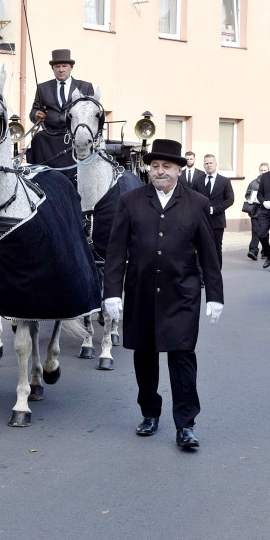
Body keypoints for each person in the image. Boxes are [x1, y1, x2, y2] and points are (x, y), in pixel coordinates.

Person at [102, 138, 223, 450]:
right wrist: (111, 292)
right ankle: (149, 413)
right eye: (155, 166)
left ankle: (186, 425)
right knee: (144, 356)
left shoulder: (196, 203)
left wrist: (215, 295)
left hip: (182, 294)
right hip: (141, 292)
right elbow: (115, 251)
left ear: (179, 170)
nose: (160, 171)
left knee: (182, 358)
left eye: (166, 166)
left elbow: (209, 253)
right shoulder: (131, 201)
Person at [27, 49, 96, 184]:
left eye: (64, 66)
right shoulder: (43, 88)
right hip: (50, 136)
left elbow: (92, 112)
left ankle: (76, 179)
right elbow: (33, 111)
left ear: (71, 67)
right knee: (37, 138)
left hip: (73, 135)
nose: (61, 70)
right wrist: (36, 114)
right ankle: (40, 179)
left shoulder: (85, 87)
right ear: (52, 68)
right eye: (57, 66)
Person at [194, 154, 234, 267]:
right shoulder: (197, 181)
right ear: (203, 165)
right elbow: (193, 198)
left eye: (211, 163)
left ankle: (216, 274)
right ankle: (201, 276)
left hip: (217, 221)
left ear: (215, 164)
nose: (209, 165)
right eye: (206, 163)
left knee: (216, 248)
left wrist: (215, 209)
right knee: (201, 247)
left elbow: (230, 199)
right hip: (201, 220)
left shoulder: (224, 181)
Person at [245, 162, 269, 261]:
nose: (263, 172)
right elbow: (247, 194)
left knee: (264, 232)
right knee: (255, 231)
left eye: (265, 170)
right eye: (261, 170)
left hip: (266, 211)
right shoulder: (253, 183)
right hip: (255, 211)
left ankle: (265, 251)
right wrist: (249, 199)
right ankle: (253, 250)